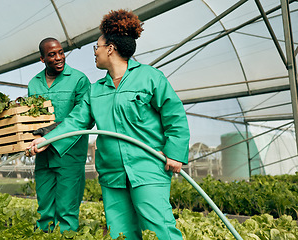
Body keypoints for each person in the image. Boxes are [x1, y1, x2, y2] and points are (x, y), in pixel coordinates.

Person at [28, 10, 189, 239]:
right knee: (120, 232)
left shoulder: (150, 77)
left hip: (147, 167)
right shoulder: (96, 89)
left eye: (97, 47)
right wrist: (47, 139)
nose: (95, 53)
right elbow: (76, 120)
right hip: (112, 173)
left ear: (110, 49)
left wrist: (175, 152)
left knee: (160, 228)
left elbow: (174, 115)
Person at [28, 37, 91, 232]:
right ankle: (45, 235)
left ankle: (67, 236)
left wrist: (49, 136)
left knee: (66, 210)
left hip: (69, 154)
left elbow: (85, 118)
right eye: (52, 54)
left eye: (61, 52)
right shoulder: (34, 83)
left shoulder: (79, 79)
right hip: (43, 156)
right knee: (44, 208)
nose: (58, 57)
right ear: (42, 59)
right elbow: (30, 118)